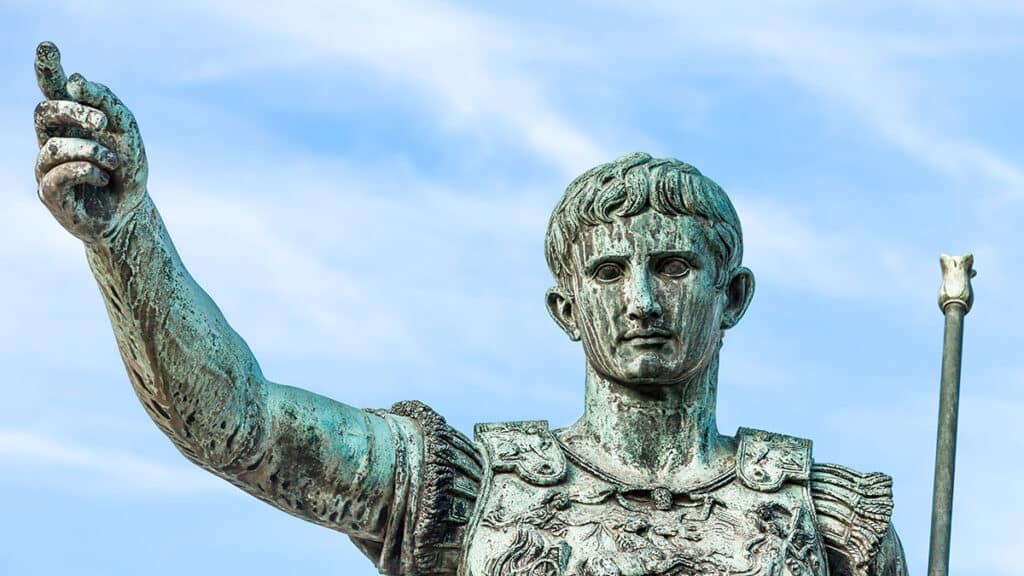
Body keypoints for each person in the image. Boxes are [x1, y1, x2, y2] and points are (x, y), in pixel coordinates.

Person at [33, 41, 907, 576]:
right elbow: (240, 424)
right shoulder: (466, 488)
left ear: (734, 298)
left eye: (673, 266)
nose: (641, 299)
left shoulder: (828, 522)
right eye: (608, 273)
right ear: (566, 309)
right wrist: (127, 236)